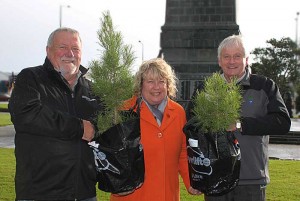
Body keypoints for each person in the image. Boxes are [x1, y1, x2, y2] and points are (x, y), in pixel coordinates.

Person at [188, 35, 291, 201]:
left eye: (237, 56)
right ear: (219, 61)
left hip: (251, 180)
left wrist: (239, 124)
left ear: (247, 59)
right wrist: (195, 174)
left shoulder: (265, 86)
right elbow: (191, 129)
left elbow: (282, 123)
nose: (231, 61)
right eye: (226, 56)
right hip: (214, 176)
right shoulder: (204, 89)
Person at [9, 27, 103, 201]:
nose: (70, 53)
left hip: (84, 193)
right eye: (62, 47)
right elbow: (27, 115)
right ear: (48, 50)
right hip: (40, 193)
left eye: (75, 49)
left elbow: (103, 128)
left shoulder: (92, 89)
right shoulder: (31, 78)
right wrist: (80, 127)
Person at [110, 58, 201, 201]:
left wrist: (190, 183)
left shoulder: (178, 112)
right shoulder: (125, 111)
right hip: (133, 196)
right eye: (150, 81)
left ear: (168, 85)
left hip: (167, 195)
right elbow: (112, 156)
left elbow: (183, 152)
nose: (156, 87)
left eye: (161, 81)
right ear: (141, 85)